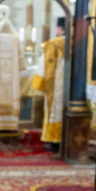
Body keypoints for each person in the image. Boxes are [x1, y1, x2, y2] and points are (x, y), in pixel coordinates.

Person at [34, 17, 67, 147]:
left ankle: (52, 140)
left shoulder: (53, 44)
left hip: (55, 84)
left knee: (53, 110)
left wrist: (40, 83)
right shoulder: (77, 43)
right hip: (71, 86)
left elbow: (45, 65)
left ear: (60, 29)